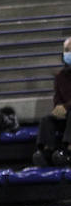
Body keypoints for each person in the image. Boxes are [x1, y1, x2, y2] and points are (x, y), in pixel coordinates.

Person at [32, 37, 71, 166]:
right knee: (47, 120)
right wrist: (58, 108)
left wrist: (65, 107)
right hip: (66, 114)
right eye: (66, 50)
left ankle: (68, 151)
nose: (68, 53)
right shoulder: (60, 77)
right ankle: (47, 151)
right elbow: (57, 100)